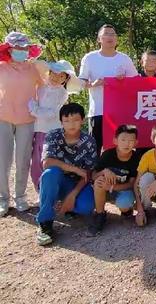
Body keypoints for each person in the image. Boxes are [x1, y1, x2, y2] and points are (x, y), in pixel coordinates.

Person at [36, 103, 97, 246]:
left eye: (75, 120)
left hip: (78, 183)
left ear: (82, 120)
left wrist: (73, 194)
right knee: (50, 173)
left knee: (87, 207)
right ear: (61, 122)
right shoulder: (53, 135)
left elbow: (88, 172)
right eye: (66, 120)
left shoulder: (89, 141)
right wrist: (75, 169)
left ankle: (68, 205)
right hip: (57, 180)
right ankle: (45, 223)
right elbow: (47, 162)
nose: (71, 124)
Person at [0, 31, 43, 217]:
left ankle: (20, 197)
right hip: (3, 117)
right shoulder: (1, 68)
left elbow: (45, 88)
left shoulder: (33, 69)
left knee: (23, 159)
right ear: (9, 49)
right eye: (18, 48)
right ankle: (3, 199)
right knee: (3, 160)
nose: (21, 51)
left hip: (28, 119)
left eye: (24, 48)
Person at [79, 24, 138, 154]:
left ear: (117, 39)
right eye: (106, 34)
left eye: (113, 34)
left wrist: (124, 81)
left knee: (120, 147)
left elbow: (136, 82)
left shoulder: (124, 59)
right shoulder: (90, 58)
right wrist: (94, 84)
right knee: (94, 147)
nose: (110, 37)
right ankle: (93, 174)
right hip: (98, 111)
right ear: (99, 39)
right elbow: (81, 83)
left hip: (120, 111)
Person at [29, 60, 81, 191]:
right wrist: (33, 108)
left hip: (51, 132)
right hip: (36, 129)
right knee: (35, 161)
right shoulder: (40, 88)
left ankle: (50, 189)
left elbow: (52, 113)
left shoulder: (62, 93)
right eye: (54, 73)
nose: (56, 78)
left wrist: (34, 109)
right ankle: (39, 189)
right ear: (49, 73)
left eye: (61, 76)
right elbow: (32, 101)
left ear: (66, 79)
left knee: (47, 159)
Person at [88, 124, 142, 236]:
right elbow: (93, 176)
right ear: (115, 140)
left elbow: (132, 184)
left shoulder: (136, 158)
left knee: (124, 203)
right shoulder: (108, 155)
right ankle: (100, 215)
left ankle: (126, 212)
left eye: (131, 140)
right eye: (123, 139)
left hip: (123, 189)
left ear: (136, 142)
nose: (127, 144)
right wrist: (103, 172)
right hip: (106, 190)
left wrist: (112, 187)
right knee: (98, 182)